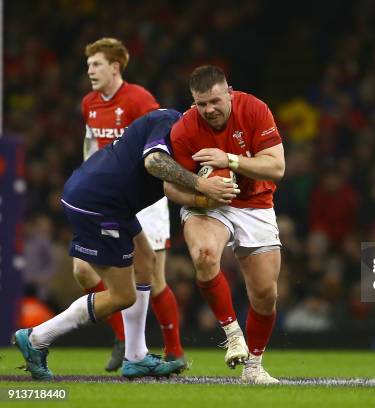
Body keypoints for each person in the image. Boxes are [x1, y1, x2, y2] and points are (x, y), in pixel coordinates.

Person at [13, 109, 239, 380]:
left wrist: (204, 195)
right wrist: (203, 184)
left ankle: (136, 357)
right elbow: (154, 163)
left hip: (110, 200)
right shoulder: (171, 122)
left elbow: (168, 185)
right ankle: (37, 338)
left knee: (145, 260)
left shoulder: (184, 132)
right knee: (123, 295)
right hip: (98, 203)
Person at [164, 65, 285, 384]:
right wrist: (202, 193)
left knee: (265, 294)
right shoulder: (184, 129)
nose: (209, 109)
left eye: (215, 101)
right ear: (193, 102)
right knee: (204, 254)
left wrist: (228, 160)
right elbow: (170, 186)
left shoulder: (255, 109)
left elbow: (277, 167)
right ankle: (233, 335)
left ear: (229, 92)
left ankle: (254, 367)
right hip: (207, 205)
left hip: (254, 203)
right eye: (201, 103)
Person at [79, 37, 185, 371]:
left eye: (96, 64)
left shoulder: (139, 99)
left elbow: (160, 141)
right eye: (88, 65)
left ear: (115, 67)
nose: (90, 71)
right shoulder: (89, 103)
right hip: (107, 199)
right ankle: (123, 336)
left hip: (143, 198)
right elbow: (91, 148)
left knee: (153, 277)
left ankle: (174, 351)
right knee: (83, 270)